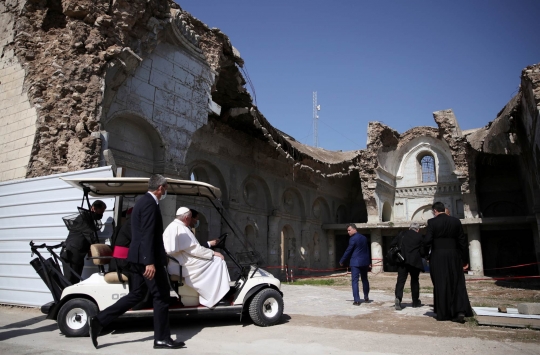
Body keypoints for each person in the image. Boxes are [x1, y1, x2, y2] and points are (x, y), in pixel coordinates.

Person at [88, 174, 185, 350]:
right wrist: (149, 262)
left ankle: (99, 320)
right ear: (160, 188)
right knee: (161, 296)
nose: (167, 191)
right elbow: (147, 234)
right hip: (145, 260)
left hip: (137, 258)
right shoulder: (149, 203)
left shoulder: (143, 202)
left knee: (137, 295)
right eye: (167, 188)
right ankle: (162, 338)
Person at [163, 207, 231, 308]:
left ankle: (219, 292)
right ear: (186, 218)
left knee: (214, 262)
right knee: (218, 261)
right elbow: (195, 249)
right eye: (190, 218)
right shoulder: (182, 229)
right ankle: (216, 296)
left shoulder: (172, 226)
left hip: (179, 261)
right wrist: (213, 253)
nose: (191, 220)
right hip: (182, 264)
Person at [424, 201, 473, 323]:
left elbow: (427, 240)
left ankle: (444, 312)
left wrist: (425, 255)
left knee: (440, 283)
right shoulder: (456, 221)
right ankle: (459, 310)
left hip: (438, 256)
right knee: (457, 282)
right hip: (454, 255)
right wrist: (464, 259)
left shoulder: (432, 222)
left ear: (435, 211)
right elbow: (462, 241)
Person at [61, 200, 107, 284]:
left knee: (75, 280)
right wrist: (101, 249)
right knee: (70, 281)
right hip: (71, 254)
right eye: (100, 212)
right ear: (93, 208)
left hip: (78, 254)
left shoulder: (88, 219)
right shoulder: (84, 219)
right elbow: (91, 238)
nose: (101, 215)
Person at [391, 222, 425, 310]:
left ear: (410, 228)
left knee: (401, 281)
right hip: (414, 262)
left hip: (402, 261)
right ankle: (415, 301)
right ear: (418, 229)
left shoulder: (402, 234)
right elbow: (422, 251)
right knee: (414, 281)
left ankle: (398, 298)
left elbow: (392, 244)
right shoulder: (419, 236)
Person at [339, 224, 371, 305]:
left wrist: (342, 260)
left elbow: (348, 250)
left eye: (349, 230)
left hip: (356, 263)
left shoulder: (353, 239)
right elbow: (367, 250)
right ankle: (366, 297)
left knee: (355, 281)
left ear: (354, 229)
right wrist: (369, 261)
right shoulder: (364, 238)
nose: (348, 232)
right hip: (365, 262)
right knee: (365, 279)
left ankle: (357, 300)